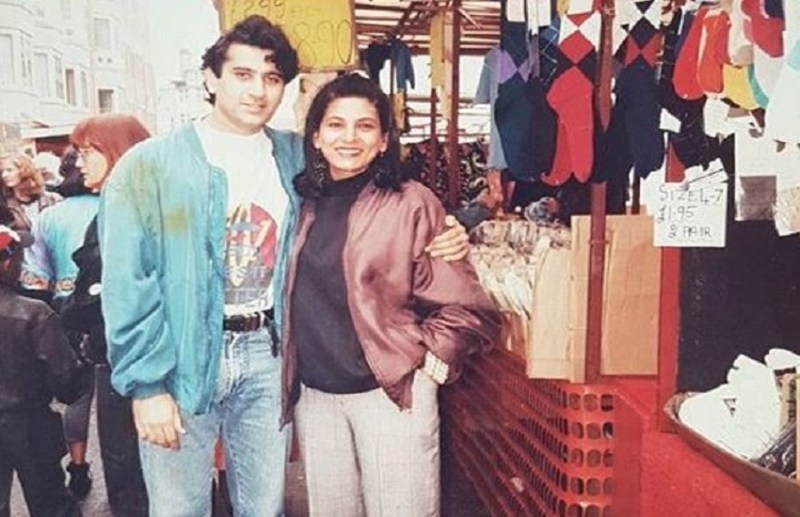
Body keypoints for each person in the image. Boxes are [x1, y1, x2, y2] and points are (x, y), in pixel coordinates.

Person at [98, 15, 468, 517]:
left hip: (269, 356)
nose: (257, 91)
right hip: (181, 353)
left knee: (264, 506)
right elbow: (127, 281)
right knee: (179, 507)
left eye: (271, 78)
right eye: (242, 74)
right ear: (210, 78)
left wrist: (447, 229)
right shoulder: (149, 166)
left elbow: (364, 199)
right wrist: (146, 384)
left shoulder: (295, 156)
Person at [281, 73, 500, 516]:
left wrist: (428, 364)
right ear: (316, 136)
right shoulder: (299, 204)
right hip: (316, 396)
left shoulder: (411, 202)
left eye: (365, 126)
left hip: (390, 392)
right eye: (336, 124)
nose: (349, 137)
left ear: (384, 141)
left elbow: (466, 306)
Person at [57, 115, 151, 514]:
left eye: (88, 152)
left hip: (131, 361)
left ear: (118, 152)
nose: (79, 163)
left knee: (132, 473)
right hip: (119, 356)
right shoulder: (115, 208)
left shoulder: (136, 210)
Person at [20, 146, 104, 498]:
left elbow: (36, 278)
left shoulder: (48, 218)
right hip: (108, 308)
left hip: (65, 311)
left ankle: (78, 466)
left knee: (77, 395)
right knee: (119, 397)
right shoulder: (110, 208)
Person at [0, 209, 90, 517]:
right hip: (29, 423)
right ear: (7, 263)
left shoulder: (33, 313)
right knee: (52, 505)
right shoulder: (34, 314)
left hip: (25, 421)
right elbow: (67, 383)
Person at [0, 152, 61, 230]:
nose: (4, 175)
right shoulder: (5, 204)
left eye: (9, 170)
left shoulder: (52, 199)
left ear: (24, 170)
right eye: (2, 172)